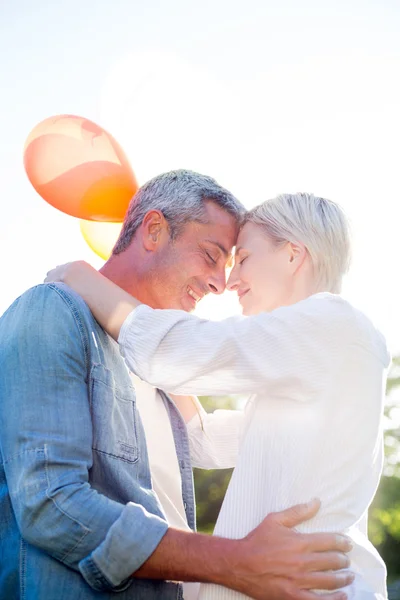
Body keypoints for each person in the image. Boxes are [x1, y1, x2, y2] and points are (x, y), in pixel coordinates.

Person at [0, 173, 353, 600]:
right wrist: (236, 561)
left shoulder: (162, 364)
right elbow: (51, 503)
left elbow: (205, 434)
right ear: (153, 230)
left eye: (233, 264)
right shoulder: (53, 311)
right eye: (211, 255)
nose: (221, 284)